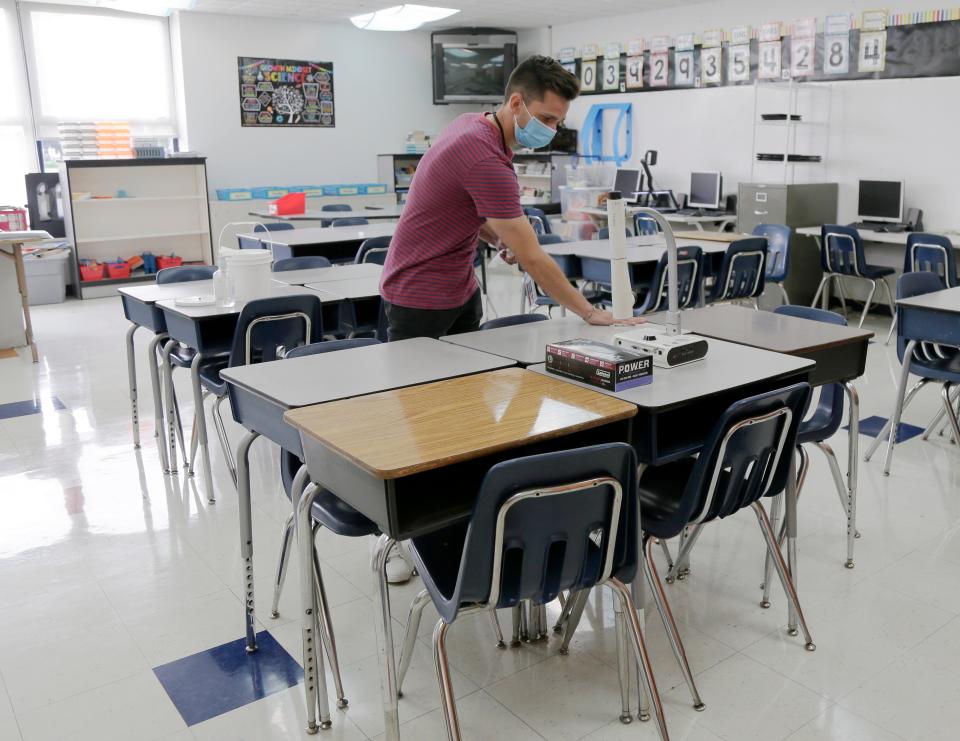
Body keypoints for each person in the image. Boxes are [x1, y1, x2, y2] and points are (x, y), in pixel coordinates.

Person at [380, 54, 645, 342]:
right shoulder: (484, 158)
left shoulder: (470, 124)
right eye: (546, 119)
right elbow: (532, 258)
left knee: (470, 384)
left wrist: (498, 238)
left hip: (460, 288)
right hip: (421, 298)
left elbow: (460, 206)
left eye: (559, 122)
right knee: (426, 388)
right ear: (516, 103)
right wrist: (590, 313)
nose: (552, 130)